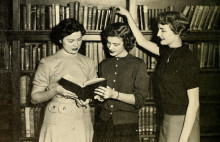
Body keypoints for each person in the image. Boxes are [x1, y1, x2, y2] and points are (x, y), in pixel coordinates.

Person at [115, 7, 200, 142]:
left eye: (163, 30)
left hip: (183, 121)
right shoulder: (167, 52)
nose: (158, 34)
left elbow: (194, 104)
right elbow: (141, 41)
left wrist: (183, 139)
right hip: (167, 119)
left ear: (177, 31)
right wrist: (127, 15)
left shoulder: (187, 59)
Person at [31, 18, 96, 142]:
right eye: (70, 41)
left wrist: (88, 98)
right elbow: (34, 98)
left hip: (82, 119)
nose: (76, 45)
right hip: (57, 120)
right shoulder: (48, 62)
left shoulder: (88, 62)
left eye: (79, 39)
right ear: (60, 40)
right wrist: (55, 91)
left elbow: (92, 90)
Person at [93, 22, 150, 142]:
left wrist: (114, 95)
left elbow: (139, 100)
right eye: (108, 43)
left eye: (115, 44)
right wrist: (99, 97)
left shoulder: (138, 64)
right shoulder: (103, 65)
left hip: (126, 125)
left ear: (126, 43)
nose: (110, 47)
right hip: (103, 123)